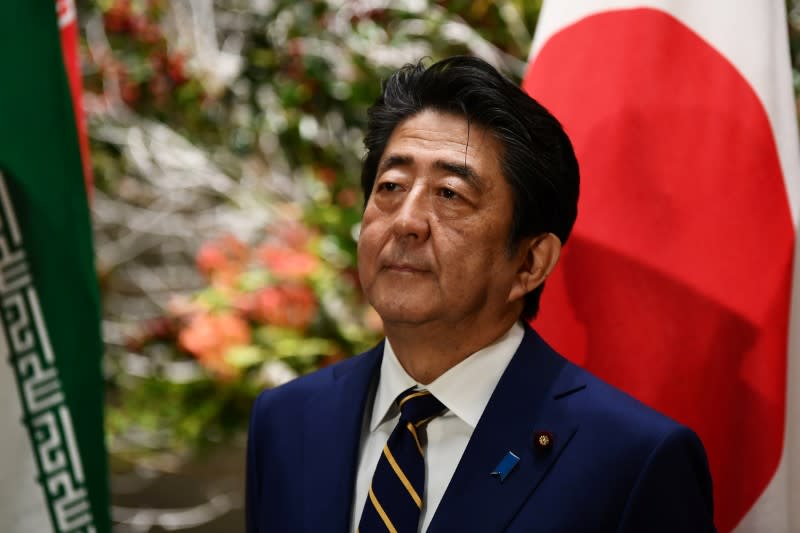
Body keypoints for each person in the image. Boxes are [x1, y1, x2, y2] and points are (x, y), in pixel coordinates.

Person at [245, 55, 715, 532]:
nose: (406, 221)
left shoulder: (633, 459)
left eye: (450, 194)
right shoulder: (286, 420)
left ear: (530, 262)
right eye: (390, 185)